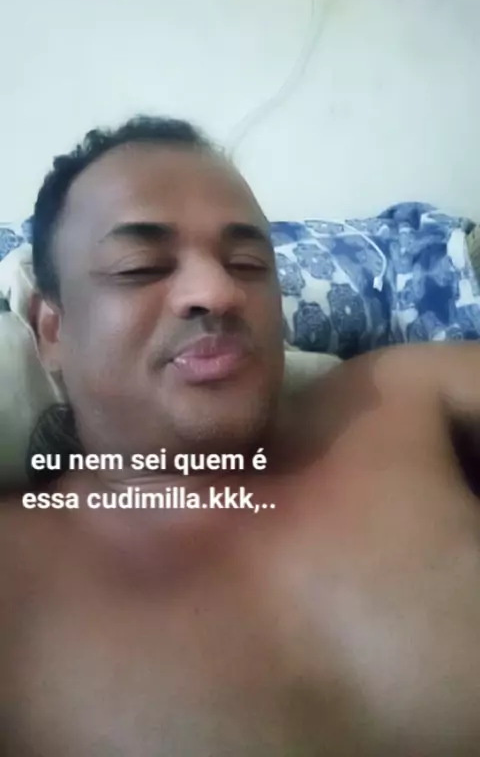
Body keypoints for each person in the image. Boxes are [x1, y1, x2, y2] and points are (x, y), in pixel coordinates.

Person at [1, 115, 480, 757]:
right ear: (52, 329)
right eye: (141, 266)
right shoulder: (15, 577)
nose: (219, 291)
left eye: (248, 263)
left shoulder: (400, 398)